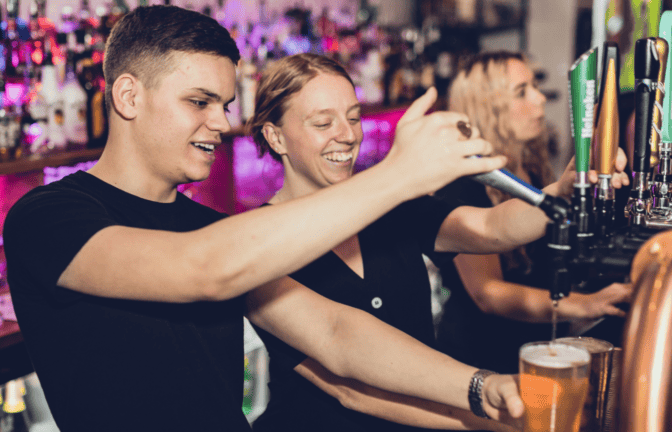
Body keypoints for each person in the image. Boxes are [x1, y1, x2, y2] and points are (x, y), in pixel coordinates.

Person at [2, 6, 524, 431]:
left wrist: (480, 387)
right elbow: (201, 270)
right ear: (128, 96)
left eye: (225, 104)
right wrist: (398, 176)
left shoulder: (209, 226)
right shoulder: (50, 217)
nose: (221, 123)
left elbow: (336, 333)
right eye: (200, 102)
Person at [243, 53, 628, 432]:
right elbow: (350, 384)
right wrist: (489, 409)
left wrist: (562, 191)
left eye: (354, 117)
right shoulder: (255, 244)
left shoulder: (388, 204)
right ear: (276, 136)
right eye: (323, 122)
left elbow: (490, 226)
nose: (347, 134)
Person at [433, 51, 632, 374]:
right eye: (521, 91)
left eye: (535, 86)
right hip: (483, 360)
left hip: (536, 346)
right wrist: (585, 304)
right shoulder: (463, 183)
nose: (540, 98)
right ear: (486, 107)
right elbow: (488, 293)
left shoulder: (533, 170)